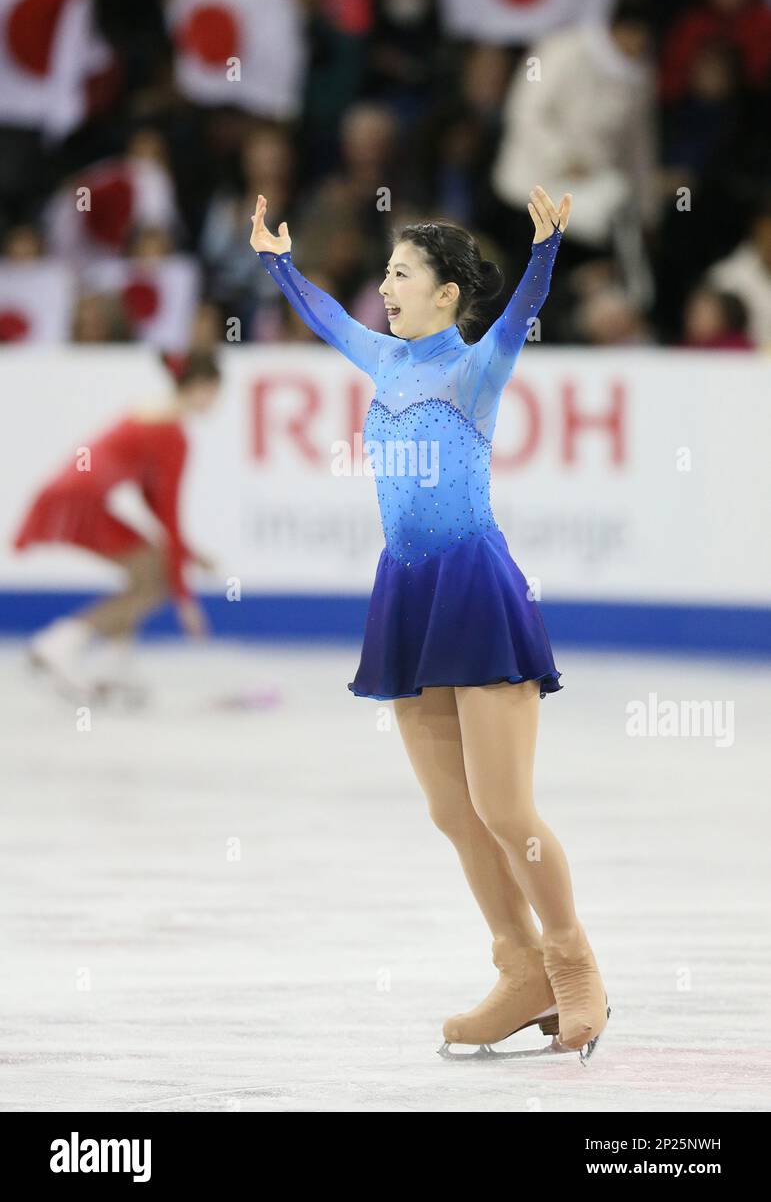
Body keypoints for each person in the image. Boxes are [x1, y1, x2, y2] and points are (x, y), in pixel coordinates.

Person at [249, 189, 610, 1060]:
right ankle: (518, 969)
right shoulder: (383, 358)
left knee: (504, 806)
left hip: (475, 589)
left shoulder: (474, 367)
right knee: (453, 812)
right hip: (406, 592)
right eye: (386, 271)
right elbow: (328, 317)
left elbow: (523, 309)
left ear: (447, 293)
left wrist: (545, 250)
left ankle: (574, 972)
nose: (386, 284)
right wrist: (275, 261)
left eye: (402, 272)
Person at [13, 351, 220, 700]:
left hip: (74, 496)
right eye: (215, 392)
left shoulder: (152, 413)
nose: (215, 402)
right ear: (201, 387)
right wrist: (185, 598)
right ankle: (60, 642)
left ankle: (115, 662)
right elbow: (168, 512)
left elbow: (151, 501)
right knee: (156, 577)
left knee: (149, 573)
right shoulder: (172, 435)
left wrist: (188, 554)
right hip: (80, 502)